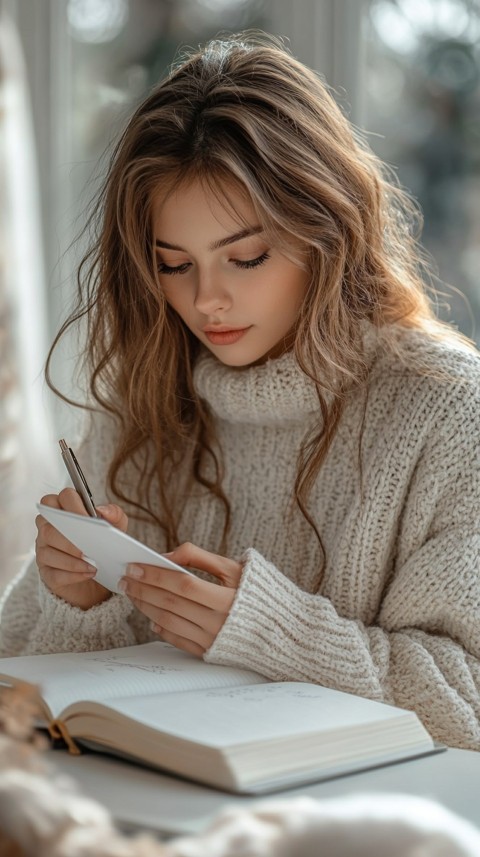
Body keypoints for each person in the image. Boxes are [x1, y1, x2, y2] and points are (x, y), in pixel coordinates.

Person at [0, 32, 479, 751]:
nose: (207, 300)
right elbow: (27, 692)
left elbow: (468, 700)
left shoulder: (448, 411)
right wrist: (77, 602)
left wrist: (273, 633)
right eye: (174, 264)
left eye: (245, 257)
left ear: (328, 229)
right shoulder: (143, 406)